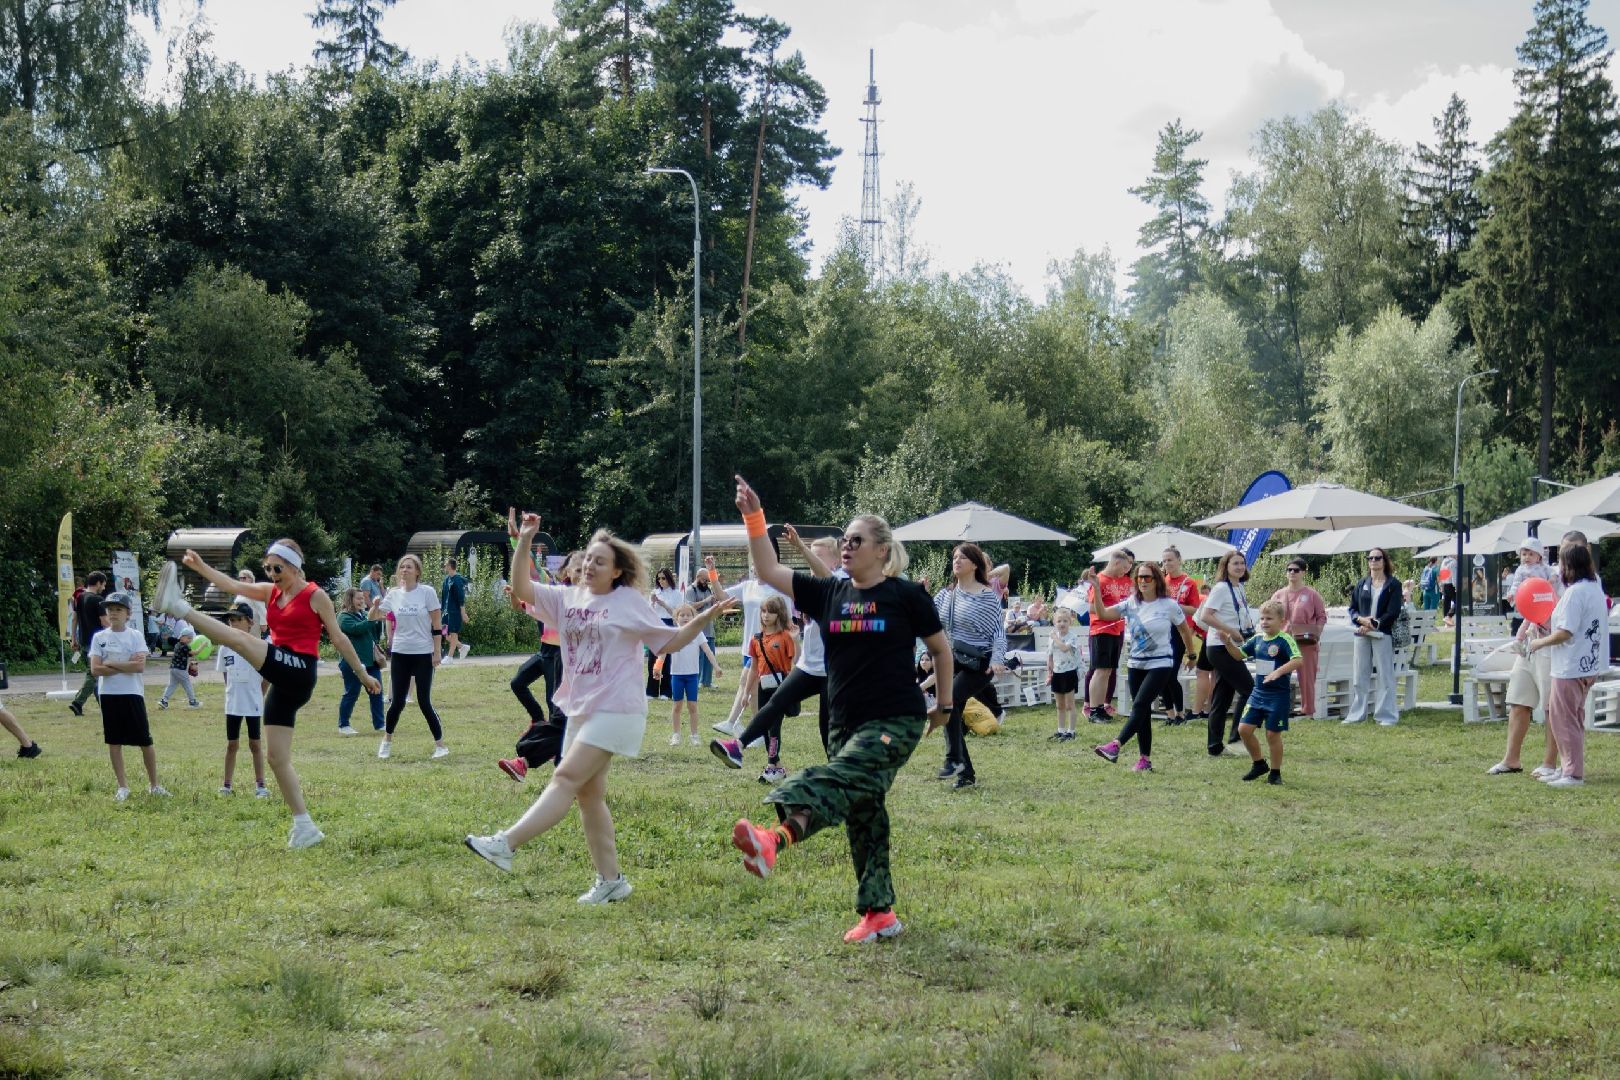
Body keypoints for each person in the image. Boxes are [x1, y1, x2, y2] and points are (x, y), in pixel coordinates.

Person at [724, 476, 953, 945]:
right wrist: (754, 515)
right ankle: (877, 911)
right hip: (845, 721)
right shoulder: (829, 592)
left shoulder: (906, 596)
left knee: (842, 776)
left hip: (896, 718)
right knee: (863, 813)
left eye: (856, 541)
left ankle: (773, 834)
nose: (846, 547)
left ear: (882, 551)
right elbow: (767, 568)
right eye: (844, 540)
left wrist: (944, 706)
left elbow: (941, 650)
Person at [464, 514, 736, 903]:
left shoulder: (628, 602)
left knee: (564, 778)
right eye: (588, 559)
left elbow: (670, 641)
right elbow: (523, 587)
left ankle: (505, 844)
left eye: (600, 561)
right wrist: (524, 539)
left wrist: (705, 617)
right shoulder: (568, 597)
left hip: (617, 708)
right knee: (589, 797)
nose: (590, 566)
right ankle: (612, 882)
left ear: (617, 571)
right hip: (582, 708)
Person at [153, 540, 381, 847]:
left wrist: (363, 673)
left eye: (278, 568)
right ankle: (304, 826)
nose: (272, 574)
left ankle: (178, 607)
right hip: (281, 676)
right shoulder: (270, 592)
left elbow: (338, 639)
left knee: (240, 639)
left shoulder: (315, 595)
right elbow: (232, 584)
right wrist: (200, 567)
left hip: (300, 669)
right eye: (268, 568)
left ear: (295, 566)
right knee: (276, 757)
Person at [710, 529, 840, 771]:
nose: (814, 562)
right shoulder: (808, 586)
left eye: (819, 556)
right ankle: (738, 746)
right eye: (812, 556)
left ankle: (839, 774)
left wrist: (800, 547)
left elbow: (827, 579)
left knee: (827, 727)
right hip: (810, 667)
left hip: (833, 669)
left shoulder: (841, 581)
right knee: (775, 703)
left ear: (836, 561)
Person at [1089, 562, 1197, 773]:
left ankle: (1115, 745)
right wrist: (1097, 588)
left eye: (1147, 577)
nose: (1143, 582)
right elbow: (1102, 614)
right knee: (1143, 712)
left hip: (1161, 662)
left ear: (1157, 580)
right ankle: (1144, 759)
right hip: (1136, 663)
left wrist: (1191, 654)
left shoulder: (1168, 605)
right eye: (1139, 578)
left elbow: (1184, 631)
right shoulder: (1131, 603)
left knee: (1139, 705)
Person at [1528, 541, 1608, 788]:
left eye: (1561, 563)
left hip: (1570, 665)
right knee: (1568, 716)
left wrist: (1538, 644)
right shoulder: (1594, 587)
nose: (1558, 568)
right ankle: (1566, 766)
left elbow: (1566, 632)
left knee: (1564, 719)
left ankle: (1572, 773)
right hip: (1587, 663)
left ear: (1568, 566)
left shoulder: (1575, 593)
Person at [499, 549, 582, 784]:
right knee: (562, 719)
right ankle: (534, 762)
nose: (582, 573)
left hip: (589, 671)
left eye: (586, 569)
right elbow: (527, 591)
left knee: (570, 723)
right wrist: (521, 540)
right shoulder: (560, 595)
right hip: (562, 661)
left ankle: (541, 763)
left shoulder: (605, 600)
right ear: (566, 572)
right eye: (577, 569)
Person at [935, 542, 1009, 791]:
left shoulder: (986, 596)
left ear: (975, 564)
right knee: (949, 711)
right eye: (954, 557)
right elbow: (929, 623)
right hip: (953, 660)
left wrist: (998, 658)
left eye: (963, 557)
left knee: (950, 704)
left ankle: (955, 759)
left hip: (980, 664)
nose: (957, 561)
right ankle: (964, 771)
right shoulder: (945, 594)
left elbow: (998, 633)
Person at [90, 591, 167, 800]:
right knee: (114, 740)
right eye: (110, 610)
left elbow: (139, 666)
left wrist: (111, 663)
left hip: (132, 693)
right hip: (109, 694)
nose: (113, 613)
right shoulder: (99, 637)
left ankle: (154, 785)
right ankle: (122, 786)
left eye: (118, 609)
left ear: (128, 613)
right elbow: (96, 669)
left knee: (144, 740)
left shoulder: (135, 635)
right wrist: (125, 665)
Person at [374, 554, 449, 760]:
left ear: (417, 572)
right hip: (400, 653)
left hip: (423, 653)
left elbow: (436, 624)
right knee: (396, 701)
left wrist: (436, 652)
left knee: (424, 701)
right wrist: (374, 604)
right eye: (402, 567)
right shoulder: (394, 594)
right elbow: (374, 616)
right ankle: (386, 741)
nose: (404, 570)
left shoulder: (427, 592)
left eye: (409, 567)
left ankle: (440, 746)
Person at [1224, 600, 1303, 785]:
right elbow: (1238, 655)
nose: (1265, 622)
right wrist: (1228, 643)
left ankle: (1275, 773)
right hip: (1258, 693)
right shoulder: (1257, 640)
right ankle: (1258, 763)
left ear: (1281, 621)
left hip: (1277, 696)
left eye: (1269, 618)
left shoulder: (1284, 640)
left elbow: (1298, 660)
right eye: (1262, 618)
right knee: (1243, 730)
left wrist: (1278, 672)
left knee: (1272, 734)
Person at [713, 565, 792, 738]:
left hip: (767, 644)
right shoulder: (747, 586)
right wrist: (712, 572)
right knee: (755, 691)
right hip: (749, 644)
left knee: (745, 681)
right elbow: (722, 596)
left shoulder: (779, 588)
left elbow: (787, 616)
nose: (756, 568)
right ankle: (758, 730)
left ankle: (732, 722)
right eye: (754, 565)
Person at [1195, 551, 1256, 754]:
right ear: (1226, 566)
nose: (1239, 567)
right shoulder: (1221, 588)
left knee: (1222, 698)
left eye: (1242, 563)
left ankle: (1214, 746)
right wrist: (1230, 631)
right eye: (1235, 563)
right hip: (1220, 647)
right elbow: (1206, 615)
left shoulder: (1239, 587)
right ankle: (1237, 737)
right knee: (1249, 690)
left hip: (1232, 646)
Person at [1344, 547, 1403, 726]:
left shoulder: (1393, 584)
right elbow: (1352, 608)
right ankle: (1357, 714)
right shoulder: (1362, 583)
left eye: (1377, 558)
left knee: (1385, 674)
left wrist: (1374, 624)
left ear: (1384, 561)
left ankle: (1386, 715)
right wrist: (1360, 620)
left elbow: (1393, 611)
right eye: (1370, 558)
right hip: (1362, 633)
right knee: (1360, 674)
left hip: (1382, 633)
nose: (1373, 561)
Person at [215, 604, 269, 797]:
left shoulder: (258, 647)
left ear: (250, 622)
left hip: (253, 703)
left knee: (255, 744)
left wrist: (258, 695)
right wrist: (231, 692)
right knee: (232, 744)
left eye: (239, 620)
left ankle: (260, 785)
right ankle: (226, 785)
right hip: (233, 704)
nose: (234, 624)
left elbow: (267, 677)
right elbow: (225, 675)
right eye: (231, 621)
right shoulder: (225, 648)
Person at [1272, 559, 1327, 717]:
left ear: (1303, 572)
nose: (1292, 573)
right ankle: (1280, 706)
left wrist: (1316, 633)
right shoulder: (1278, 594)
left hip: (1305, 641)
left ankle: (1307, 709)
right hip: (1282, 641)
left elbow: (1321, 616)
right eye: (1289, 569)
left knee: (1307, 677)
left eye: (1296, 570)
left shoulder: (1311, 594)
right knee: (1279, 673)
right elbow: (1269, 614)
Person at [1084, 550, 1134, 724]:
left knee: (1107, 670)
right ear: (1116, 563)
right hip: (1101, 629)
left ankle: (1101, 708)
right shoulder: (1101, 580)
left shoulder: (1117, 580)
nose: (1125, 572)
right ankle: (1093, 710)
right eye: (1124, 567)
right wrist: (1112, 610)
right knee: (1100, 670)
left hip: (1116, 629)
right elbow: (1090, 608)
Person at [665, 604, 724, 747]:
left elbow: (707, 651)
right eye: (682, 615)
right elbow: (663, 652)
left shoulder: (698, 633)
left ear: (694, 617)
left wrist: (716, 667)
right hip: (677, 675)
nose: (685, 618)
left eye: (688, 615)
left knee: (692, 706)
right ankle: (676, 734)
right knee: (677, 706)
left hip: (692, 676)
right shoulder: (673, 633)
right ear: (676, 618)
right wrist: (658, 667)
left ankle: (694, 735)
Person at [1158, 547, 1201, 725]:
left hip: (1179, 631)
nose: (1167, 564)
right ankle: (1169, 714)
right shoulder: (1161, 581)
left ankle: (1180, 713)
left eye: (1170, 560)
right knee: (1161, 674)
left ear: (1179, 560)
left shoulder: (1189, 582)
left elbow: (1194, 609)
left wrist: (1175, 606)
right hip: (1162, 631)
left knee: (1170, 673)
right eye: (1164, 561)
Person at [337, 588, 385, 735]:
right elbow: (358, 629)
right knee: (352, 692)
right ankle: (343, 725)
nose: (361, 601)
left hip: (371, 662)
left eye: (362, 599)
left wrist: (376, 613)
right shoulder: (343, 617)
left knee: (377, 691)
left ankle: (380, 724)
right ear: (349, 600)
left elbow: (372, 629)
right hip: (352, 663)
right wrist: (372, 619)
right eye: (358, 599)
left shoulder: (363, 614)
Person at [68, 570, 109, 716]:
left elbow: (74, 619)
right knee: (93, 674)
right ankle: (77, 703)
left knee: (96, 676)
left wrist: (73, 638)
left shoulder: (80, 598)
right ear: (98, 583)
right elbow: (105, 622)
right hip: (97, 643)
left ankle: (104, 706)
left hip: (84, 640)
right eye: (103, 585)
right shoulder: (98, 600)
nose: (103, 588)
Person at [1046, 605, 1083, 741]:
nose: (1062, 624)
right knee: (1059, 705)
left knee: (1069, 704)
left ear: (1070, 622)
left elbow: (1064, 648)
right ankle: (1061, 730)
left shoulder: (1071, 637)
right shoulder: (1052, 638)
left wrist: (1055, 638)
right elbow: (1050, 656)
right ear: (1055, 622)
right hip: (1057, 673)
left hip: (1069, 673)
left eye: (1065, 621)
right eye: (1059, 621)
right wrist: (1049, 673)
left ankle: (1071, 731)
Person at [647, 567, 683, 699]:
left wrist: (663, 604)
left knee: (667, 660)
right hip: (656, 624)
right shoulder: (655, 592)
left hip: (668, 624)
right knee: (653, 658)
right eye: (659, 578)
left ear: (669, 579)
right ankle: (651, 690)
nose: (661, 581)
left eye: (663, 578)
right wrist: (652, 602)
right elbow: (648, 612)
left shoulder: (676, 594)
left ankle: (666, 691)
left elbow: (677, 614)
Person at [157, 627, 201, 710]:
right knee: (187, 684)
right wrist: (202, 646)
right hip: (180, 669)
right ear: (182, 637)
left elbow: (189, 655)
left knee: (172, 685)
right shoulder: (185, 646)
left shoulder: (177, 645)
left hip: (173, 668)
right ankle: (192, 702)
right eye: (188, 638)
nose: (189, 640)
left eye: (190, 638)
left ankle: (164, 701)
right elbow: (194, 652)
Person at [440, 558, 471, 663]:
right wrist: (441, 610)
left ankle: (450, 657)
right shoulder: (446, 580)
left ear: (450, 566)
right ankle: (462, 647)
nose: (444, 566)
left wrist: (463, 613)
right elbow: (444, 597)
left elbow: (460, 598)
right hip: (446, 611)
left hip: (455, 612)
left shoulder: (457, 580)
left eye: (445, 564)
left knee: (453, 633)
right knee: (445, 634)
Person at [236, 569, 268, 637]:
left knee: (252, 643)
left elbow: (262, 609)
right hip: (239, 622)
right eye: (240, 578)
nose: (241, 580)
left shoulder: (255, 591)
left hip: (253, 623)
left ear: (251, 579)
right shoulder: (240, 591)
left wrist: (263, 623)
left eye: (244, 578)